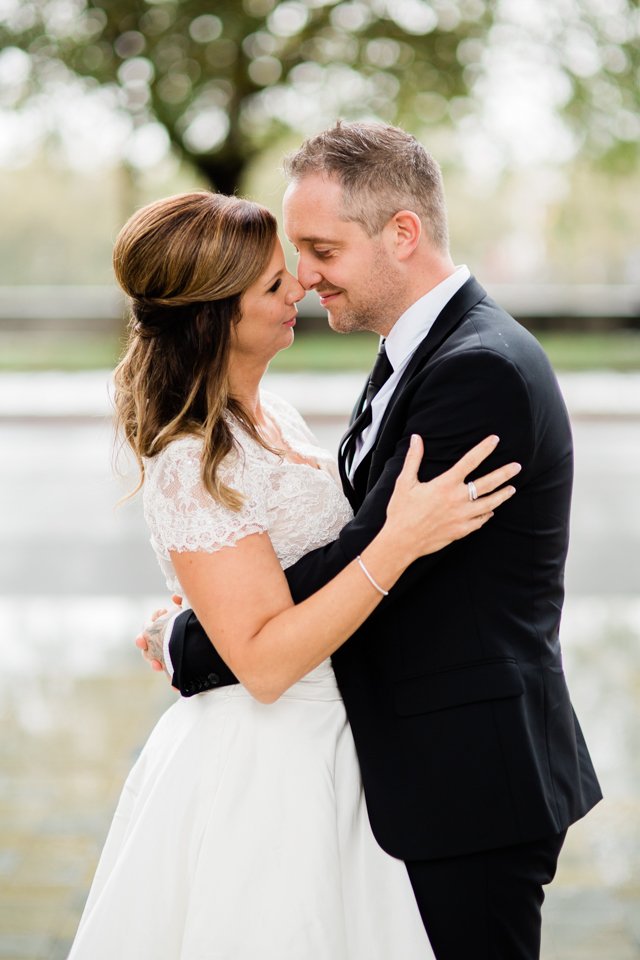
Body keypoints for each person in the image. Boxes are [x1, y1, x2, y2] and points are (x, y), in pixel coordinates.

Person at [142, 122, 602, 960]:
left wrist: (198, 641)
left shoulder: (478, 370)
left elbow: (373, 550)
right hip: (382, 764)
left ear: (402, 232)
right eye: (292, 256)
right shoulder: (419, 349)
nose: (302, 276)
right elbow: (367, 539)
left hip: (466, 778)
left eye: (320, 249)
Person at [68, 190, 519, 959]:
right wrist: (399, 539)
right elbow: (267, 665)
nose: (301, 288)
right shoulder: (191, 458)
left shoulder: (274, 415)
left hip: (345, 742)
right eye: (276, 284)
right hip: (267, 765)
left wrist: (190, 628)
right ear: (216, 315)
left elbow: (283, 578)